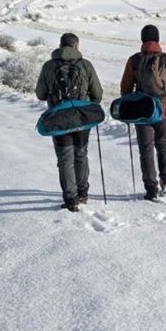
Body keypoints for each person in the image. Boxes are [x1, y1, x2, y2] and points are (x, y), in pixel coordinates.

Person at [36, 33, 103, 212]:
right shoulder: (85, 64)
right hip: (81, 116)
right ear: (76, 46)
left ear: (60, 46)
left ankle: (71, 199)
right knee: (81, 154)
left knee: (65, 158)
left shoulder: (49, 66)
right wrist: (85, 106)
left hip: (59, 118)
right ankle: (83, 193)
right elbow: (97, 94)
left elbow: (40, 94)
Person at [120, 24, 166, 201]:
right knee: (162, 145)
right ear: (157, 39)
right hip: (164, 110)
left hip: (142, 112)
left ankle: (151, 189)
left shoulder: (134, 60)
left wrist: (128, 106)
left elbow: (125, 87)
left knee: (145, 150)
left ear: (142, 40)